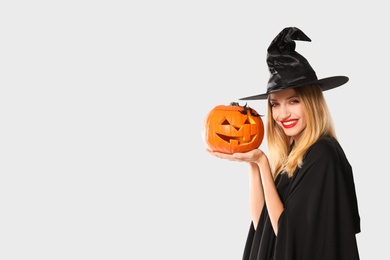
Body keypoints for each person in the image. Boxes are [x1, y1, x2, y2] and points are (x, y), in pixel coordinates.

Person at [207, 27, 361, 260]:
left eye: (293, 101)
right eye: (274, 104)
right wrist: (254, 163)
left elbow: (291, 234)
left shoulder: (322, 154)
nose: (283, 114)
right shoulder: (295, 152)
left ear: (311, 102)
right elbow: (263, 224)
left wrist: (262, 161)